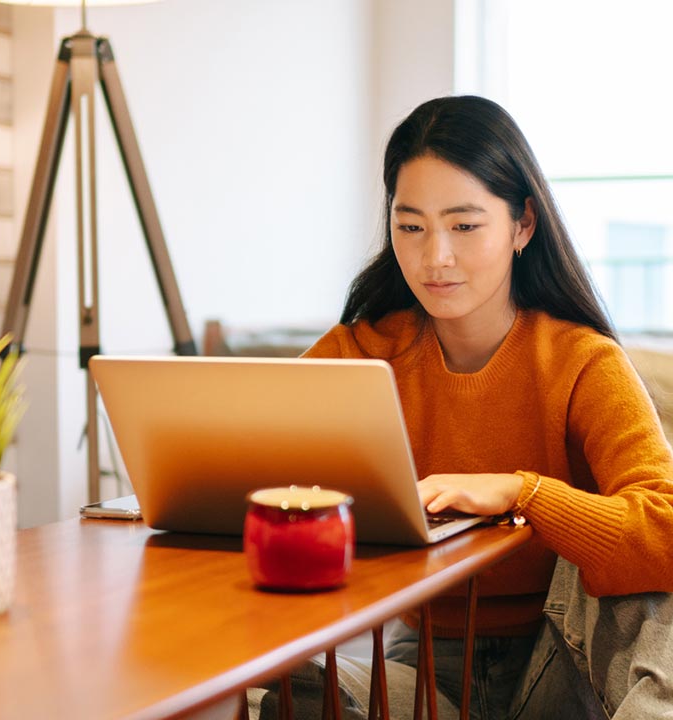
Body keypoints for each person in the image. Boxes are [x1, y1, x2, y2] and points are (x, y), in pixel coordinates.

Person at [254, 95, 673, 720]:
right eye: (411, 226)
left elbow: (664, 531)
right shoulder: (360, 356)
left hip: (566, 662)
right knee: (301, 699)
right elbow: (252, 474)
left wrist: (523, 494)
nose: (435, 257)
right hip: (426, 664)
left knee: (650, 584)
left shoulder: (581, 360)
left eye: (465, 225)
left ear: (523, 225)